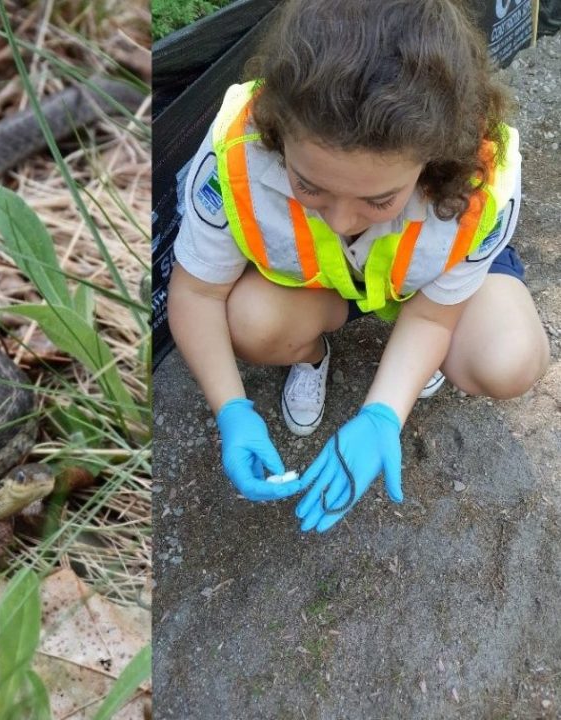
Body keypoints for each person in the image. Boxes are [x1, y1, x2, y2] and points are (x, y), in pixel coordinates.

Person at [167, 0, 550, 532]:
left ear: (436, 159)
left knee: (510, 359)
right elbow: (198, 293)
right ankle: (313, 351)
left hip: (429, 283)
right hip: (317, 284)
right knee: (250, 323)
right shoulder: (237, 150)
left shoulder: (482, 178)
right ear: (279, 133)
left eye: (379, 199)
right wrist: (230, 410)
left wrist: (381, 416)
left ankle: (412, 366)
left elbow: (434, 317)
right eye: (309, 185)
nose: (344, 219)